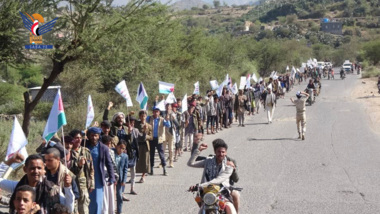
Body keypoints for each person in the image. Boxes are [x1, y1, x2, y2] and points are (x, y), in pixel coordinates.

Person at [0, 154, 75, 214]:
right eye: (32, 168)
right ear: (25, 169)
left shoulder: (53, 189)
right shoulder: (18, 187)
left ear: (44, 169)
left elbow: (69, 209)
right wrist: (8, 162)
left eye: (39, 168)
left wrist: (67, 187)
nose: (36, 171)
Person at [187, 139, 236, 214]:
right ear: (215, 152)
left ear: (226, 152)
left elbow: (218, 180)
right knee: (201, 209)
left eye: (223, 152)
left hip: (222, 193)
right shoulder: (208, 161)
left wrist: (200, 185)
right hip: (207, 193)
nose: (221, 154)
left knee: (230, 209)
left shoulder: (229, 165)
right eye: (218, 152)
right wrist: (198, 150)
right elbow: (190, 163)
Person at [86, 127, 115, 214]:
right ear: (88, 136)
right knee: (87, 202)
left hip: (98, 178)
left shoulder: (103, 148)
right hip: (86, 178)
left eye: (96, 135)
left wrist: (112, 177)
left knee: (97, 202)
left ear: (99, 136)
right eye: (92, 135)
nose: (94, 137)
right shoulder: (84, 146)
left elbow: (109, 163)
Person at [69, 129, 94, 214]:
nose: (79, 140)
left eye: (80, 138)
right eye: (76, 138)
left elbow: (91, 169)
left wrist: (92, 183)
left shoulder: (85, 151)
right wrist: (78, 165)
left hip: (83, 185)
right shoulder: (68, 153)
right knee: (73, 209)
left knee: (84, 208)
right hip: (72, 184)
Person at [147, 107, 171, 176]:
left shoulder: (162, 119)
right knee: (151, 154)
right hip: (151, 139)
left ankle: (164, 169)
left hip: (159, 139)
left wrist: (167, 119)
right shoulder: (149, 118)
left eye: (157, 111)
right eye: (154, 111)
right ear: (153, 112)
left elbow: (168, 125)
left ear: (159, 112)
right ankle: (151, 169)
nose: (156, 113)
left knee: (161, 154)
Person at [135, 110, 153, 183]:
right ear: (139, 116)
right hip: (138, 144)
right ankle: (134, 175)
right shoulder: (137, 124)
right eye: (141, 116)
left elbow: (151, 137)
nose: (143, 117)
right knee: (137, 160)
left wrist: (146, 136)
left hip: (145, 145)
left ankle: (143, 176)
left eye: (144, 116)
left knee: (145, 160)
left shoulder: (149, 126)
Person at [101, 135, 117, 214]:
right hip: (103, 178)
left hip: (110, 178)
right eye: (107, 144)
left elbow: (113, 165)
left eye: (110, 143)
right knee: (104, 200)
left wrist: (114, 177)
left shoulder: (111, 152)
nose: (109, 145)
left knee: (111, 199)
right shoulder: (100, 151)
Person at [113, 141, 129, 214]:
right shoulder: (112, 153)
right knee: (111, 195)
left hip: (120, 178)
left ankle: (119, 211)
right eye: (120, 147)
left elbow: (125, 169)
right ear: (117, 146)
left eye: (123, 149)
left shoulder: (125, 156)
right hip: (111, 177)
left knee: (119, 195)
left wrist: (124, 180)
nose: (121, 150)